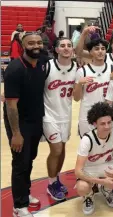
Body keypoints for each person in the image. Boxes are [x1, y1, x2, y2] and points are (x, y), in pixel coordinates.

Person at [4, 32, 49, 217]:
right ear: (23, 46)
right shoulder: (15, 69)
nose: (36, 45)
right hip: (19, 124)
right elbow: (11, 105)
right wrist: (16, 133)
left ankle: (25, 192)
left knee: (29, 159)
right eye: (31, 43)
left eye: (39, 42)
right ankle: (18, 205)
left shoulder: (42, 62)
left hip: (35, 120)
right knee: (20, 163)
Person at [74, 102, 113, 215]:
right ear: (94, 124)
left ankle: (107, 190)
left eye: (109, 122)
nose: (107, 127)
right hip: (90, 169)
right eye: (102, 124)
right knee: (82, 187)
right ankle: (89, 196)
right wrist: (102, 181)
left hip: (107, 165)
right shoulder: (87, 140)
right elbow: (77, 171)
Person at [44, 38, 78, 201]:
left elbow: (78, 96)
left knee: (62, 149)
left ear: (72, 49)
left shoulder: (77, 68)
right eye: (62, 46)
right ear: (56, 49)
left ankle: (56, 179)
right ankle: (50, 183)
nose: (66, 48)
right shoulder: (48, 66)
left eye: (69, 46)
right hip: (48, 115)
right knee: (56, 150)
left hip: (66, 115)